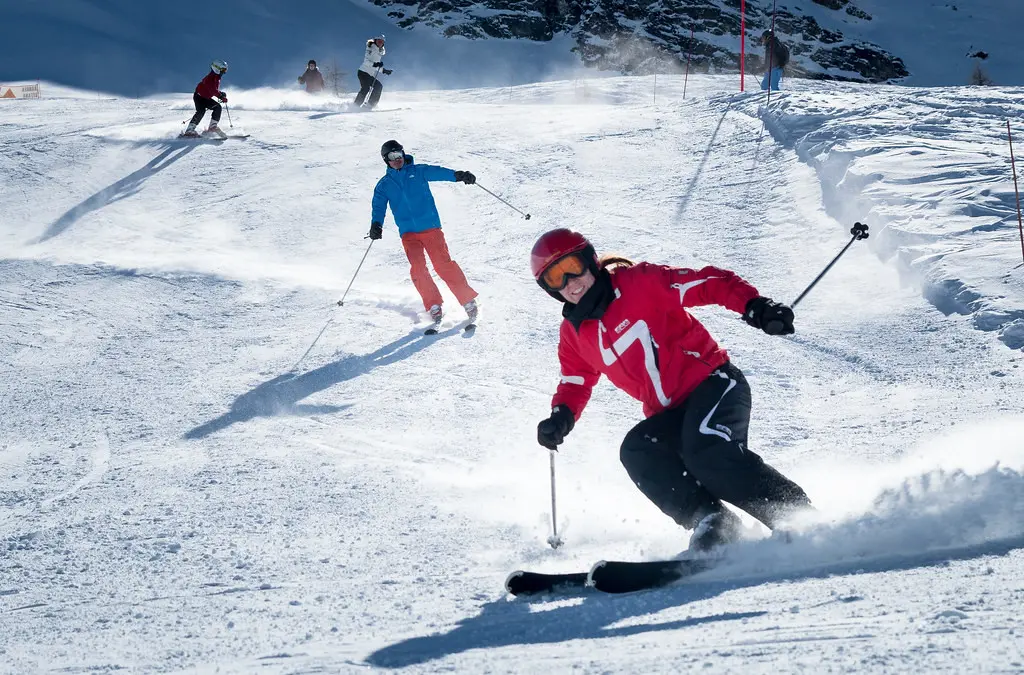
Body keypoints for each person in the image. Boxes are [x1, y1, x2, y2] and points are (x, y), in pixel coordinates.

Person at [530, 229, 811, 552]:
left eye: (572, 268)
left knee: (707, 451)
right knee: (638, 450)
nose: (570, 282)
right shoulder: (574, 335)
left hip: (714, 383)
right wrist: (561, 415)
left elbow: (708, 283)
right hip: (670, 413)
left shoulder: (639, 283)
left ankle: (795, 515)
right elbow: (575, 381)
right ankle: (714, 523)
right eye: (555, 278)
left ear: (590, 261)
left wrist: (754, 305)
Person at [369, 140, 479, 326]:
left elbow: (438, 172)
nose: (397, 160)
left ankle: (467, 300)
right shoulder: (384, 185)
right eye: (392, 157)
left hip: (430, 228)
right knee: (418, 269)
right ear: (385, 160)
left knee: (443, 265)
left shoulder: (418, 171)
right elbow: (378, 205)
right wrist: (376, 224)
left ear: (403, 154)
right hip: (409, 233)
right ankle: (433, 304)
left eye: (399, 155)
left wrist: (458, 175)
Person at [183, 60, 229, 138]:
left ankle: (212, 127)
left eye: (225, 70)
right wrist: (220, 96)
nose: (224, 72)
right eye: (223, 70)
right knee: (201, 111)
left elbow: (213, 89)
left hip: (206, 98)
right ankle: (189, 130)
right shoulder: (210, 78)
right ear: (217, 68)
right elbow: (212, 90)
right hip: (199, 97)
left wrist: (220, 93)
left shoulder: (216, 77)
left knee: (217, 107)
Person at [354, 36, 392, 110]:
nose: (380, 43)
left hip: (369, 74)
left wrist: (384, 70)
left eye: (382, 42)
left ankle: (370, 105)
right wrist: (375, 64)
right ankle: (355, 106)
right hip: (363, 72)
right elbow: (366, 61)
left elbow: (375, 66)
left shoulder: (379, 51)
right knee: (365, 88)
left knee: (378, 86)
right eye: (378, 41)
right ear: (375, 41)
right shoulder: (371, 48)